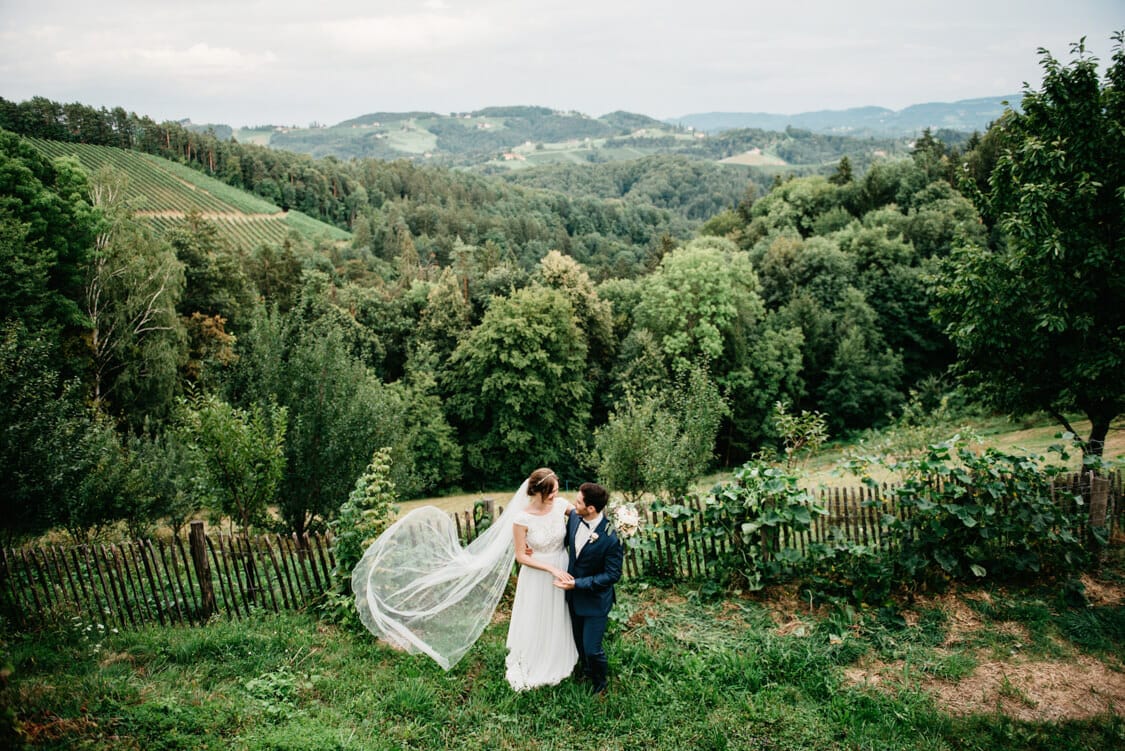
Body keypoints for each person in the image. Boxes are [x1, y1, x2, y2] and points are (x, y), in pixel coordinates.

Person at [504, 468, 579, 690]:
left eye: (557, 490)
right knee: (537, 615)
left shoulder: (562, 506)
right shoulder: (522, 518)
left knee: (559, 613)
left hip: (562, 564)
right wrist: (550, 569)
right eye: (552, 491)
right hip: (537, 573)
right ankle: (535, 656)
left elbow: (583, 518)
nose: (556, 495)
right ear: (539, 492)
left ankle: (558, 651)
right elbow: (520, 556)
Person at [555, 482, 623, 694]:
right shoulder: (575, 518)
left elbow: (613, 575)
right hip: (573, 598)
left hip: (595, 601)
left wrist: (577, 583)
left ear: (591, 508)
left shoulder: (612, 537)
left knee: (592, 648)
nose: (574, 505)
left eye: (578, 502)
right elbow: (564, 541)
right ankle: (585, 671)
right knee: (578, 642)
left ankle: (600, 684)